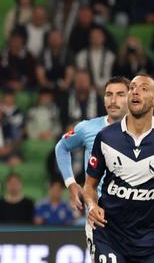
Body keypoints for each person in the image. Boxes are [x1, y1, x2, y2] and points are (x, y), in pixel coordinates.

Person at [84, 74, 154, 262]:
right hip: (110, 235)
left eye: (144, 88)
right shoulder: (106, 137)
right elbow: (89, 186)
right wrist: (92, 205)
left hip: (149, 241)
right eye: (132, 88)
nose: (135, 92)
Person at [55, 76, 129, 251]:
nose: (113, 100)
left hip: (135, 220)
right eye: (108, 94)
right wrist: (70, 183)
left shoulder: (146, 133)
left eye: (120, 94)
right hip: (99, 219)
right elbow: (61, 147)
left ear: (131, 97)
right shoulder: (88, 128)